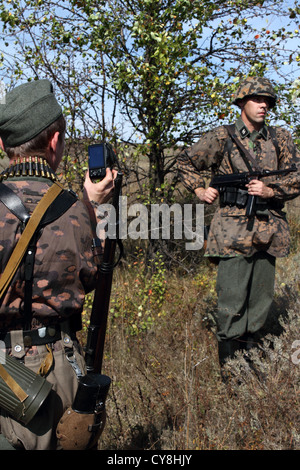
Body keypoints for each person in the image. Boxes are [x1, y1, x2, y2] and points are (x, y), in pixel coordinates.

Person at [0, 79, 116, 449]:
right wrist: (94, 207)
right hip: (54, 366)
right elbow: (94, 275)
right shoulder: (75, 213)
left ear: (2, 146)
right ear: (54, 142)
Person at [177, 76, 300, 376]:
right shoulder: (223, 137)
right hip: (232, 235)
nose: (263, 106)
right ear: (242, 102)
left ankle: (254, 372)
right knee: (231, 305)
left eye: (268, 101)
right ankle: (231, 377)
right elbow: (185, 162)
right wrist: (199, 190)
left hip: (268, 233)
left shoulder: (280, 138)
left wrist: (271, 192)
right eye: (258, 99)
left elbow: (296, 177)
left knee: (260, 305)